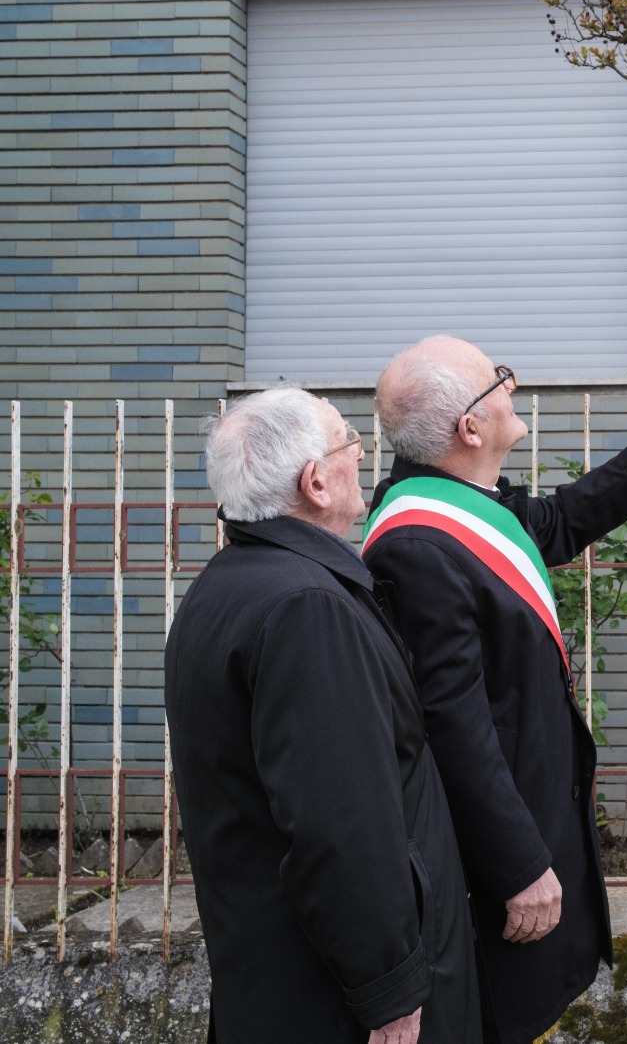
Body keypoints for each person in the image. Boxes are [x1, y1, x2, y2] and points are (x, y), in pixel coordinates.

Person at [363, 336, 627, 1043]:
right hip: (499, 857)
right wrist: (519, 866)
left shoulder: (461, 496)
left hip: (534, 811)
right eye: (500, 381)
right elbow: (453, 725)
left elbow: (545, 526)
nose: (513, 389)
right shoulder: (416, 543)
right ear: (470, 426)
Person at [165, 387, 478, 1044]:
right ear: (315, 482)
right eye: (349, 445)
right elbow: (340, 822)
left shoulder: (224, 587)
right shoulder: (307, 608)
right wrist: (388, 990)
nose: (360, 457)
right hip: (335, 1003)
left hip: (272, 977)